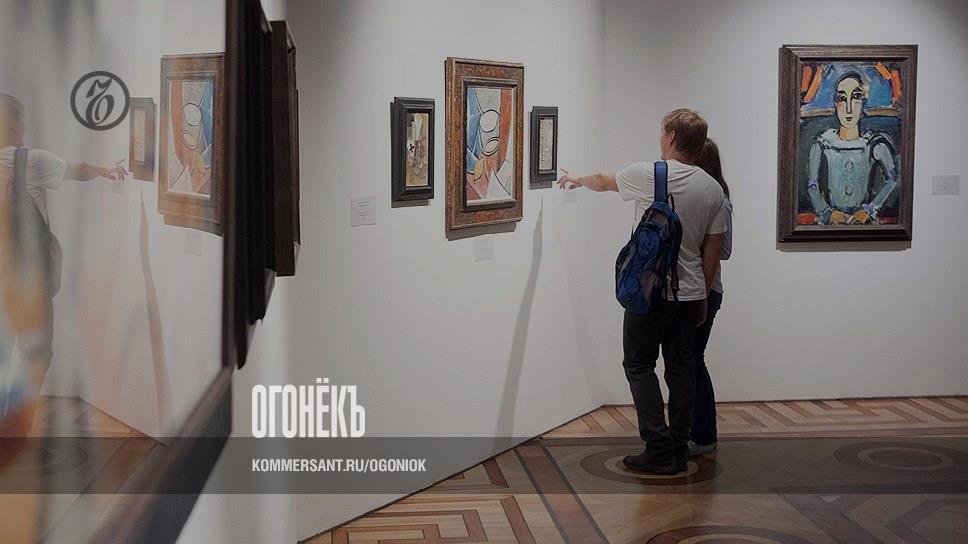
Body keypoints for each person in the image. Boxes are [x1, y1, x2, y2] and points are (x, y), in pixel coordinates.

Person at [558, 109, 725, 474]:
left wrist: (576, 179)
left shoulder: (651, 174)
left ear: (672, 137)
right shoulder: (713, 189)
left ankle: (658, 448)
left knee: (638, 364)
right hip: (689, 295)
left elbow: (603, 181)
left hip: (649, 292)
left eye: (662, 133)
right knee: (681, 369)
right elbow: (711, 253)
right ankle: (678, 447)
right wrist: (702, 297)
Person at [0, 92, 127, 428]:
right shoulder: (28, 161)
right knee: (36, 353)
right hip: (26, 278)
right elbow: (76, 170)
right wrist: (106, 169)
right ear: (13, 124)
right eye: (21, 120)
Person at [686, 138, 732, 457]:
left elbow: (724, 250)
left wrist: (700, 240)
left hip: (706, 291)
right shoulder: (703, 197)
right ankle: (693, 431)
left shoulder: (719, 202)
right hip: (694, 289)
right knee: (687, 361)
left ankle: (703, 434)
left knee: (692, 359)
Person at [806, 72, 899, 225]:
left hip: (864, 223)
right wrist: (827, 213)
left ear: (863, 102)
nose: (849, 109)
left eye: (856, 97)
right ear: (835, 104)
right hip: (832, 224)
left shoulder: (874, 143)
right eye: (842, 99)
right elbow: (812, 185)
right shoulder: (822, 143)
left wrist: (870, 210)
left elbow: (893, 180)